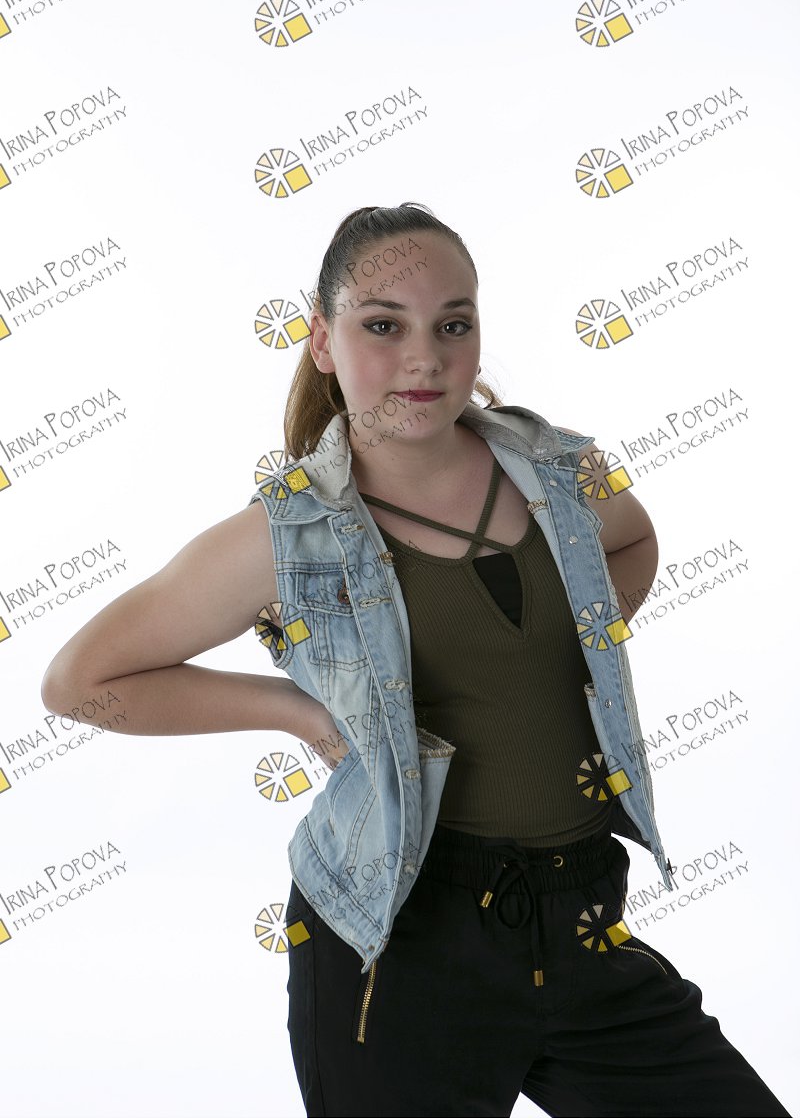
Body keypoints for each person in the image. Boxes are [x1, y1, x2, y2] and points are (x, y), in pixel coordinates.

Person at [42, 204, 790, 1118]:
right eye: (384, 325)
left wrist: (572, 650)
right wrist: (299, 713)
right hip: (400, 948)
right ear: (323, 341)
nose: (425, 358)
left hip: (586, 920)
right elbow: (80, 683)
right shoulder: (286, 535)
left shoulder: (564, 467)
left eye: (454, 325)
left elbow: (632, 539)